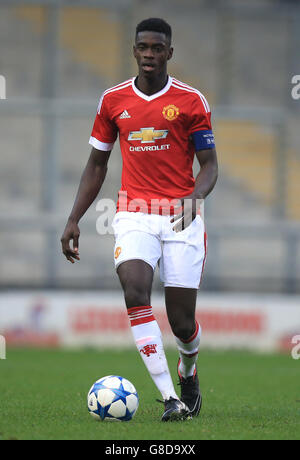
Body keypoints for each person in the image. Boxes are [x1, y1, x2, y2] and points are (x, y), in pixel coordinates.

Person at [61, 18, 218, 422]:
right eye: (142, 47)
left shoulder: (190, 101)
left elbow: (211, 166)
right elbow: (96, 165)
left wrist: (193, 199)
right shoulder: (112, 101)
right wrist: (74, 218)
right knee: (134, 289)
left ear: (169, 52)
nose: (149, 54)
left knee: (183, 323)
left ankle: (189, 369)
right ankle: (171, 399)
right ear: (134, 50)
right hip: (134, 212)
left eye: (157, 48)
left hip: (182, 218)